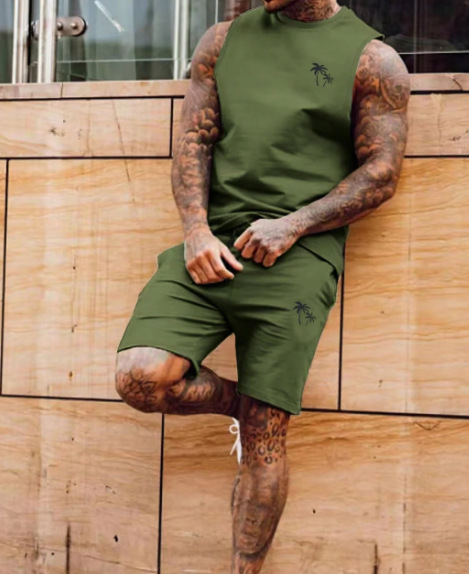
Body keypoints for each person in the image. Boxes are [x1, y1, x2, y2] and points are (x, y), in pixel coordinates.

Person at [115, 0, 410, 572]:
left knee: (265, 440)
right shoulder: (222, 41)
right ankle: (240, 403)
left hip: (298, 256)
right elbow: (194, 142)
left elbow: (381, 172)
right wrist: (195, 231)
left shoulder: (374, 60)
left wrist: (294, 224)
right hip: (210, 245)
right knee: (140, 377)